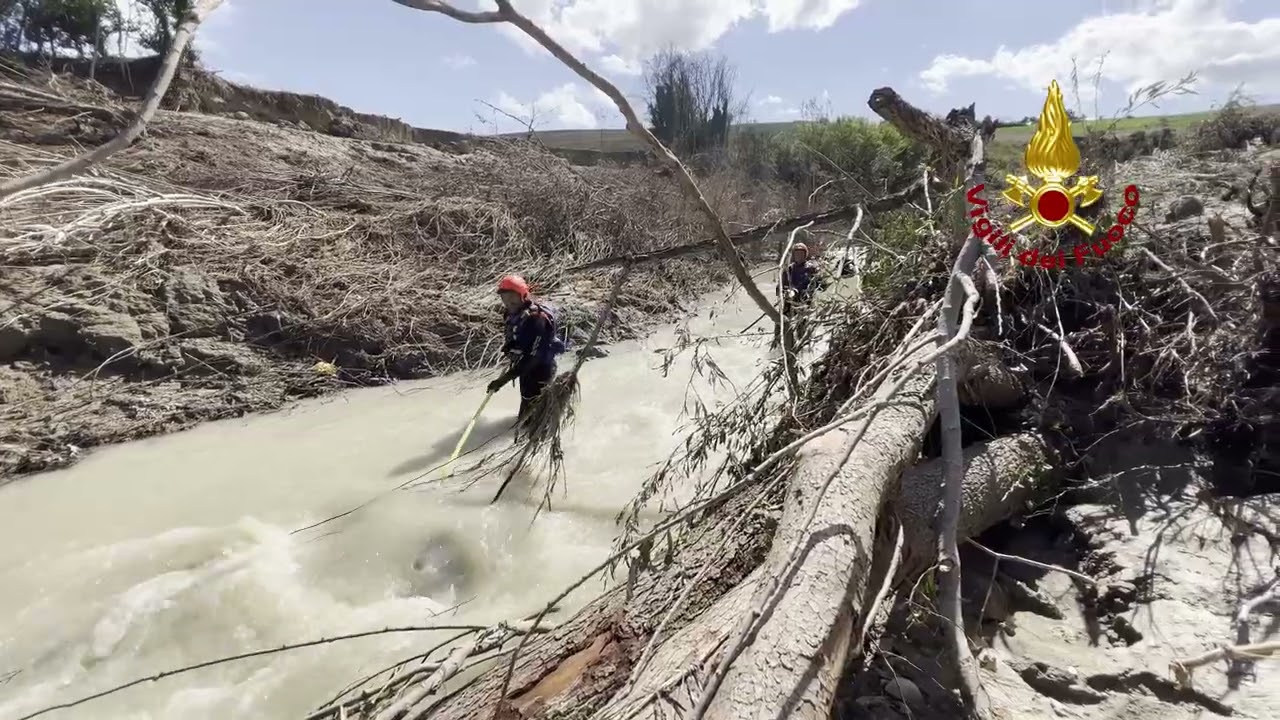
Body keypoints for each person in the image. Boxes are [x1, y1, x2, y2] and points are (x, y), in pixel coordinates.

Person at [486, 275, 566, 428]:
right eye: (505, 298)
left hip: (542, 368)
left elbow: (533, 357)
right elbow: (518, 337)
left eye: (513, 298)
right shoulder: (511, 314)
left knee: (536, 418)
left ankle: (540, 431)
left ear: (522, 295)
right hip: (524, 367)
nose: (509, 303)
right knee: (525, 407)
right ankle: (524, 426)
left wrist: (502, 380)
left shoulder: (537, 320)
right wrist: (510, 346)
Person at [774, 242, 826, 347]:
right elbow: (779, 287)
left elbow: (821, 286)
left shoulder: (811, 268)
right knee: (780, 323)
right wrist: (785, 291)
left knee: (802, 327)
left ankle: (802, 347)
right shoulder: (789, 269)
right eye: (797, 253)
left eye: (801, 253)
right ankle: (779, 345)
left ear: (805, 254)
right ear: (793, 255)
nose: (799, 256)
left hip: (804, 302)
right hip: (789, 302)